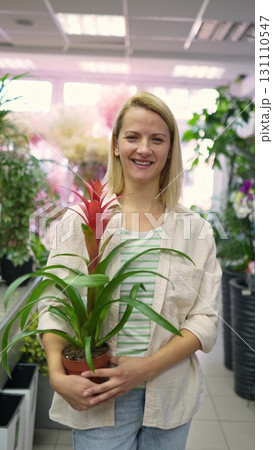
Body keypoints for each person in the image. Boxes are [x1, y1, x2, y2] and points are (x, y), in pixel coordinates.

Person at [38, 91, 222, 450]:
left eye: (158, 139)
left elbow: (206, 318)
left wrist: (145, 368)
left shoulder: (195, 230)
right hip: (99, 398)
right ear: (117, 145)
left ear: (170, 150)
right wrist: (58, 376)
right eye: (133, 137)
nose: (144, 149)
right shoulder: (82, 222)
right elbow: (53, 302)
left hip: (168, 398)